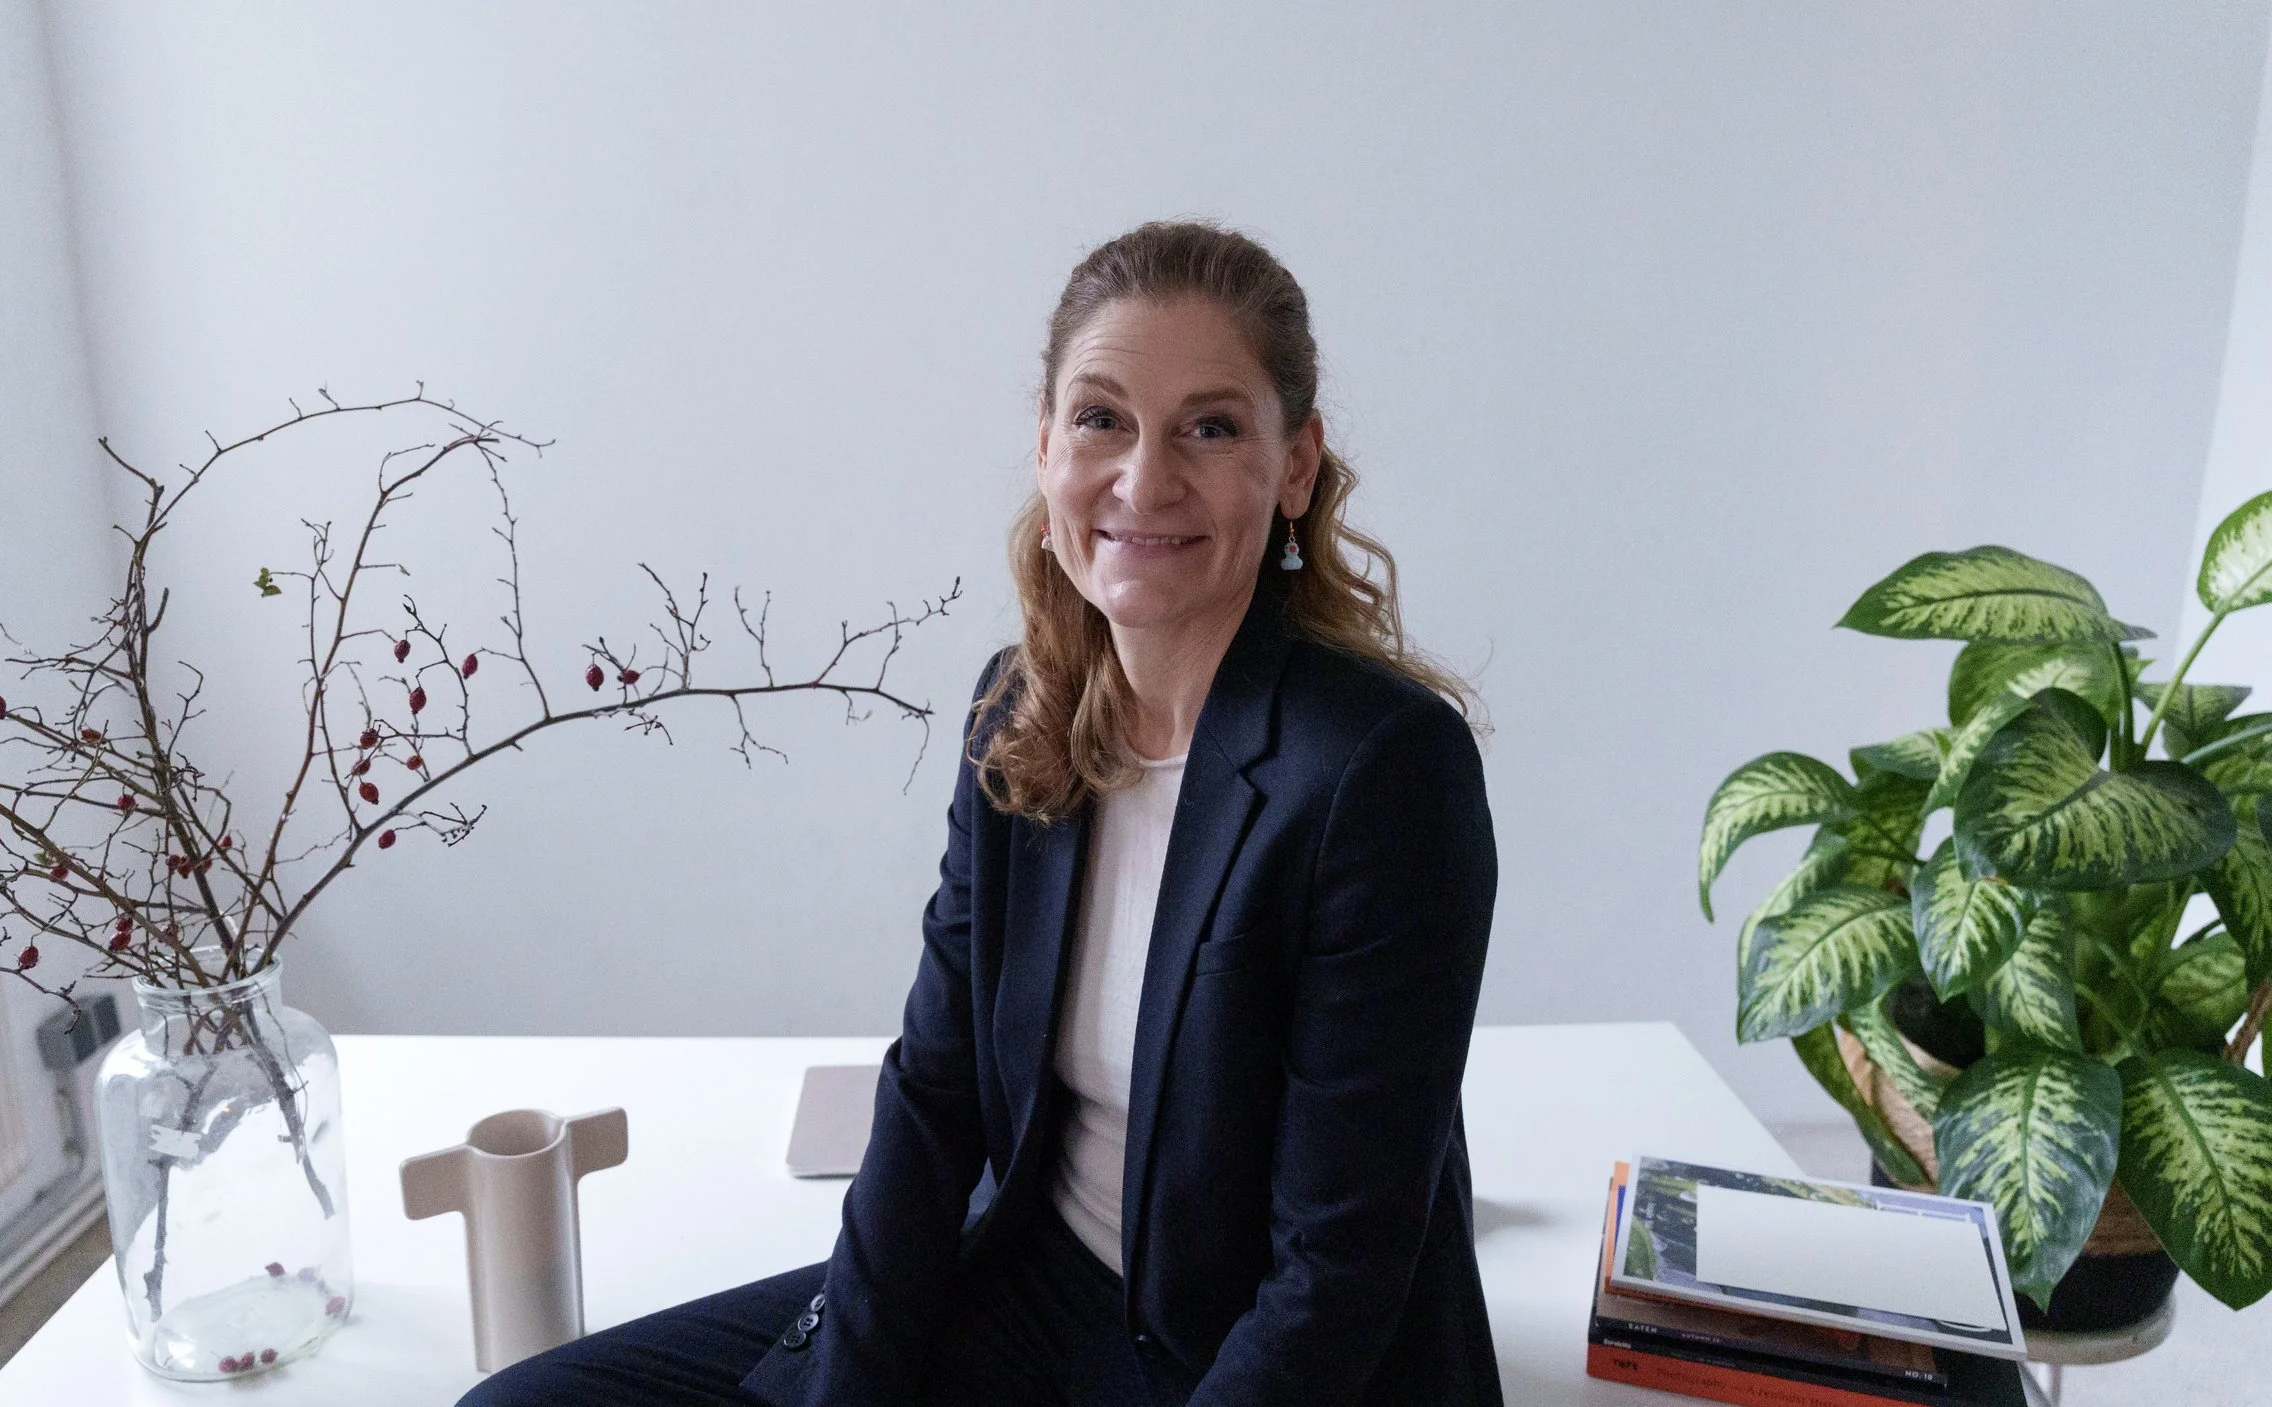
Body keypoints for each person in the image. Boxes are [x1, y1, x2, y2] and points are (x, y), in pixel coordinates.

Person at [462, 220, 1500, 1407]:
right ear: (1048, 445)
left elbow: (1334, 1273)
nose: (1144, 480)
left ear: (1298, 465)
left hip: (1235, 1359)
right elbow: (934, 1094)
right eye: (1101, 418)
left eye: (1209, 429)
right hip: (1026, 1286)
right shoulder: (1023, 709)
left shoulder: (1381, 771)